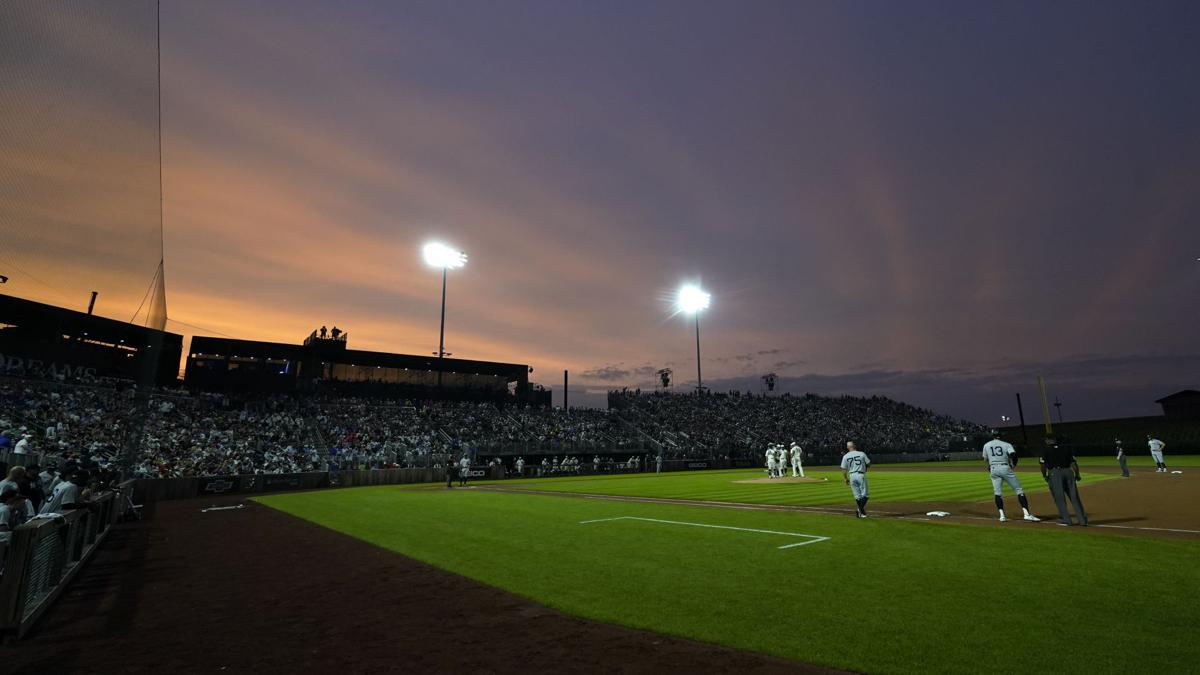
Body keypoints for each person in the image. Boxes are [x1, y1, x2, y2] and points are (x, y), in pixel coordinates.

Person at [981, 431, 1039, 522]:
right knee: (1019, 490)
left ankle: (1002, 516)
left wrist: (990, 466)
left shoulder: (986, 445)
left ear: (993, 436)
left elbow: (985, 459)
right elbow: (1013, 455)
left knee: (997, 493)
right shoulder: (1006, 444)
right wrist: (1013, 464)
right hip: (1005, 467)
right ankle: (1027, 514)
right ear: (1001, 436)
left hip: (993, 469)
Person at [1039, 437, 1087, 526]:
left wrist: (1044, 475)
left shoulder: (1045, 450)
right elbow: (1073, 464)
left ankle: (1067, 520)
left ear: (1047, 440)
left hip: (1055, 474)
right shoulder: (1066, 448)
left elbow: (1042, 465)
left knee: (1059, 498)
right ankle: (1082, 520)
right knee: (1074, 496)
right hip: (1068, 472)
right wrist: (1077, 474)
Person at [841, 441, 871, 518]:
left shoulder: (845, 456)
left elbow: (844, 469)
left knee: (858, 496)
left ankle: (862, 513)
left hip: (851, 476)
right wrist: (865, 468)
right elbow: (868, 463)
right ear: (855, 446)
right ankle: (859, 510)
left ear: (848, 447)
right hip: (860, 474)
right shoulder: (861, 453)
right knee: (865, 495)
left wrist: (845, 479)